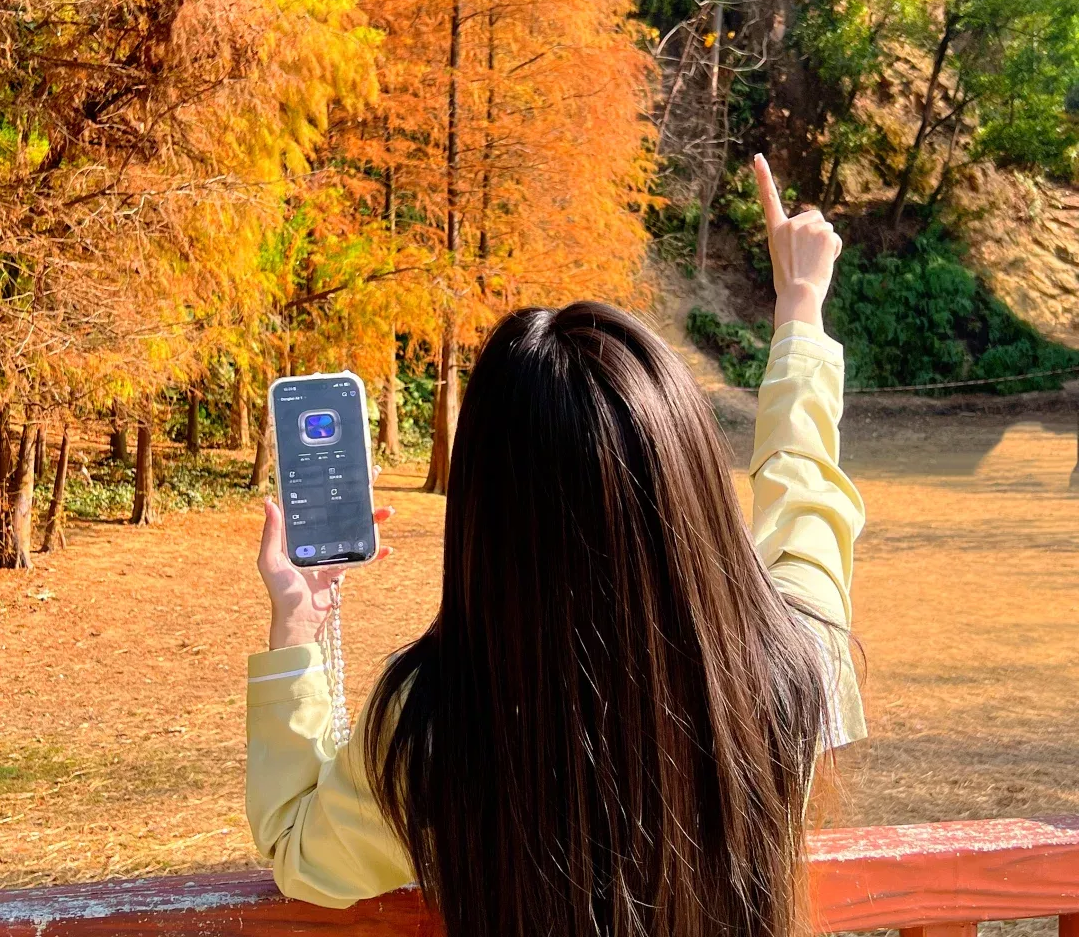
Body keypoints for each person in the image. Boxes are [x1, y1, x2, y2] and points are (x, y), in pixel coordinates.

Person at [245, 154, 866, 937]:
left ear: (485, 515)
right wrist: (800, 309)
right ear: (695, 488)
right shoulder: (792, 673)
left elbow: (299, 851)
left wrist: (298, 626)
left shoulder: (434, 726)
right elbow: (803, 494)